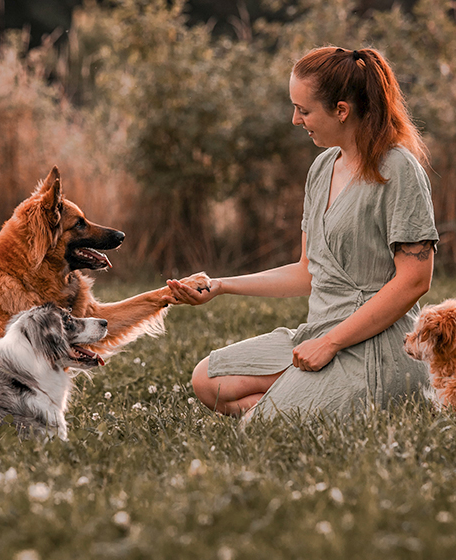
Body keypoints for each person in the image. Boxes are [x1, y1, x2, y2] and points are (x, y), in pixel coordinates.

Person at [167, 46, 439, 420]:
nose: (295, 119)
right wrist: (221, 285)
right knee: (208, 380)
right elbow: (306, 272)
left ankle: (312, 404)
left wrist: (331, 343)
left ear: (341, 110)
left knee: (265, 427)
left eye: (304, 109)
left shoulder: (399, 170)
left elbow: (415, 281)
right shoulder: (323, 167)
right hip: (318, 333)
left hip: (376, 346)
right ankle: (305, 397)